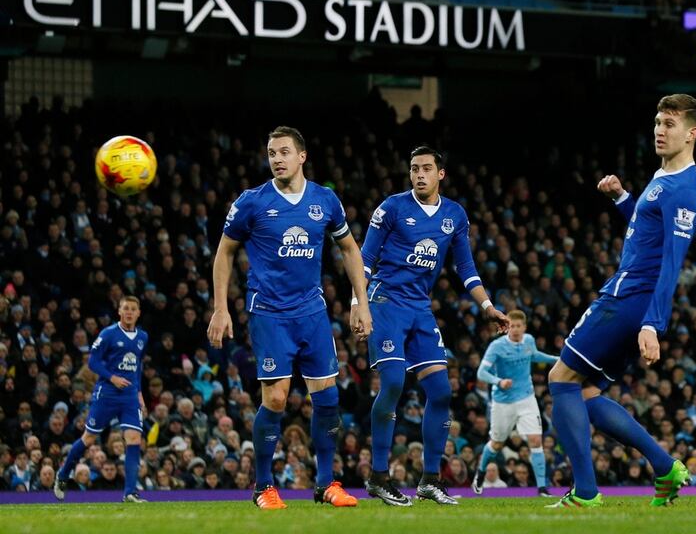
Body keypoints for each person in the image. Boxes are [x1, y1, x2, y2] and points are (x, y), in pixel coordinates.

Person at [546, 94, 696, 508]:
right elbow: (647, 236)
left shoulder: (686, 189)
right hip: (632, 297)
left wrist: (653, 323)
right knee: (586, 394)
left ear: (691, 133)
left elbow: (672, 262)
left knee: (560, 381)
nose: (659, 129)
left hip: (629, 299)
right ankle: (665, 467)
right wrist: (621, 198)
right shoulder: (665, 177)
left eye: (670, 123)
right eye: (657, 121)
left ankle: (585, 493)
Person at [207, 126, 372, 510]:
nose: (276, 159)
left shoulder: (325, 200)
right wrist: (220, 307)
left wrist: (360, 302)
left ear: (302, 156)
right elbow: (224, 252)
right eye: (271, 153)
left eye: (283, 152)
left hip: (312, 312)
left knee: (327, 396)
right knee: (277, 398)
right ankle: (263, 486)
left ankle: (327, 483)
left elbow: (349, 248)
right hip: (269, 313)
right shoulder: (252, 202)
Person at [360, 146, 510, 506]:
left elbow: (466, 268)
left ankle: (429, 480)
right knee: (394, 382)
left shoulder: (454, 215)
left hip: (419, 308)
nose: (419, 175)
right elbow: (364, 258)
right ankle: (378, 477)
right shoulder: (392, 207)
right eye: (414, 169)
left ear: (441, 174)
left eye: (426, 168)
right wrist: (357, 304)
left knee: (441, 392)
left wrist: (488, 306)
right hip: (385, 302)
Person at [55, 296, 148, 503]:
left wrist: (140, 392)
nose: (129, 312)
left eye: (133, 309)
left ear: (138, 313)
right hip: (107, 393)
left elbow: (138, 366)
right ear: (119, 311)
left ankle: (130, 493)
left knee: (134, 439)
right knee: (88, 438)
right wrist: (112, 377)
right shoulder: (108, 334)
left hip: (130, 395)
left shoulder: (143, 337)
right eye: (126, 308)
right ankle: (62, 475)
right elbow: (93, 362)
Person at [473, 310, 558, 496]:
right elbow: (481, 373)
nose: (516, 330)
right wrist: (499, 381)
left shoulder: (528, 340)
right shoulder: (496, 346)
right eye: (512, 326)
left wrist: (556, 360)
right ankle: (480, 472)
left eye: (519, 326)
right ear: (506, 327)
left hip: (527, 397)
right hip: (503, 401)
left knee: (535, 440)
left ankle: (542, 487)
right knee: (496, 444)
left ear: (524, 327)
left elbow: (533, 355)